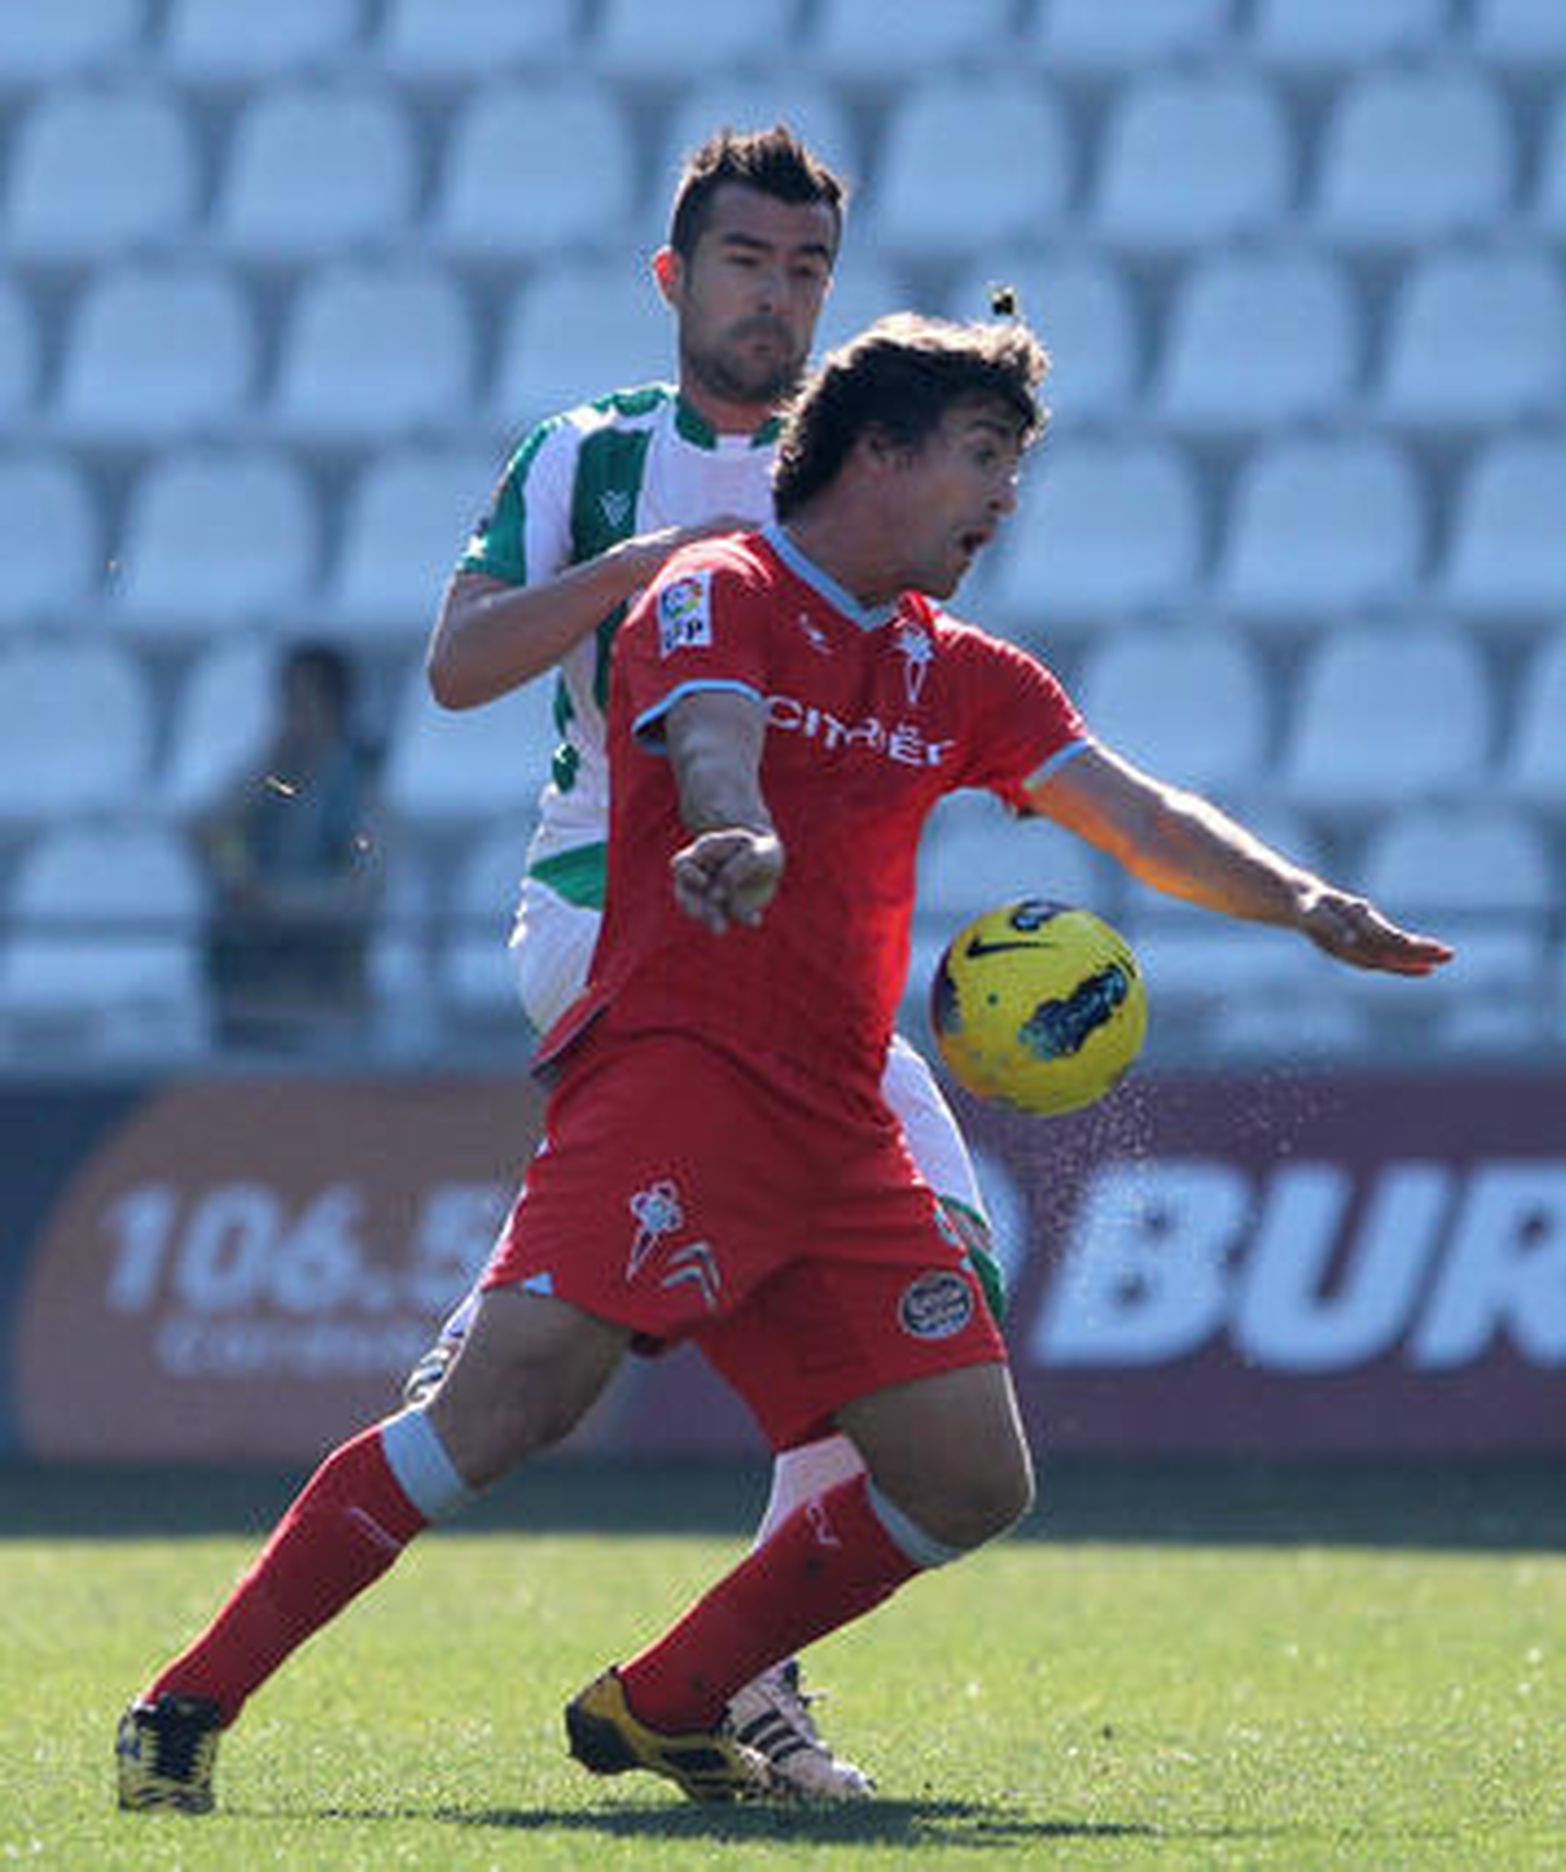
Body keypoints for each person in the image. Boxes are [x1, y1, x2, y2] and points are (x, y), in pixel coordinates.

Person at [116, 311, 1452, 1816]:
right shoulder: (721, 586)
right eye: (985, 457)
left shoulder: (964, 674)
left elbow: (1136, 817)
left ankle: (670, 1698)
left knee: (970, 1481)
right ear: (879, 453)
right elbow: (713, 745)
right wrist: (736, 833)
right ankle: (184, 1702)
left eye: (1014, 465)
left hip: (837, 1127)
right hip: (676, 1077)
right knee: (503, 1413)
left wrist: (1306, 904)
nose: (1005, 499)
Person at [407, 123, 1001, 1795]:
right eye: (746, 262)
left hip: (800, 953)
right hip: (604, 902)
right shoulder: (589, 453)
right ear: (677, 277)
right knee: (870, 1266)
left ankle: (728, 1645)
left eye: (807, 268)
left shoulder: (862, 476)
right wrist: (631, 574)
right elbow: (455, 664)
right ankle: (751, 1682)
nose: (776, 296)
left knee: (935, 1259)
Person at [195, 640, 382, 1050]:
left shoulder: (362, 792)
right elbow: (210, 833)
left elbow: (359, 892)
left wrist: (278, 903)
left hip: (324, 988)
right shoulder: (275, 781)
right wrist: (265, 769)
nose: (290, 718)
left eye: (301, 703)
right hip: (256, 984)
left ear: (335, 708)